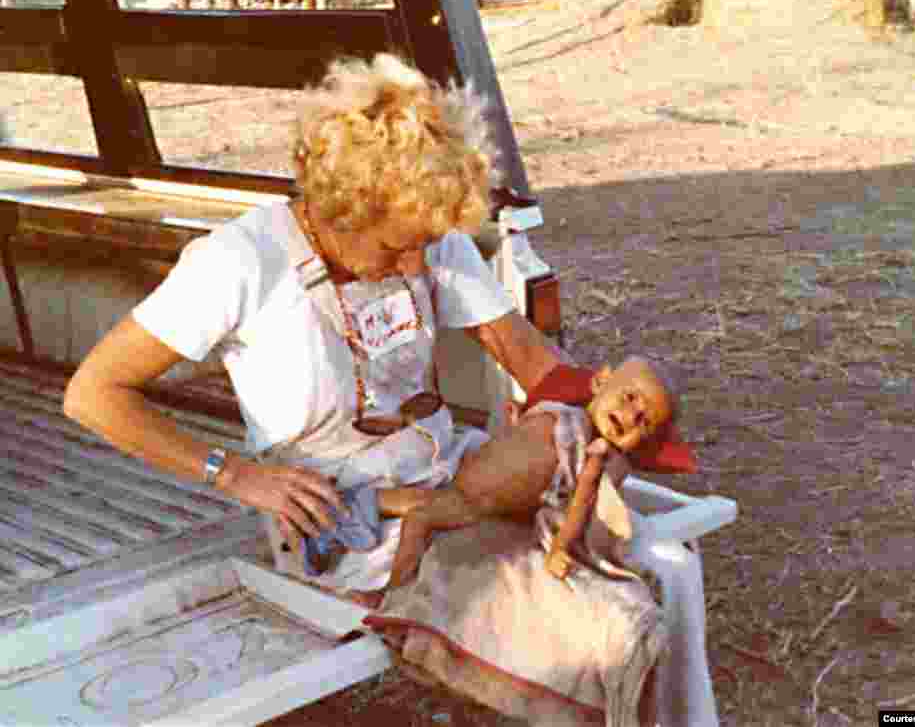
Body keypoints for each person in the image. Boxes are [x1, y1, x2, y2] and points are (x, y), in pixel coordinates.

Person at [62, 52, 565, 606]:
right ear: (343, 211)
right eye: (398, 248)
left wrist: (606, 400)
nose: (418, 268)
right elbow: (92, 394)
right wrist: (232, 474)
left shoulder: (424, 230)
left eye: (425, 246)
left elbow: (533, 362)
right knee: (537, 590)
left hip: (451, 474)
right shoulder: (241, 260)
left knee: (586, 520)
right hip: (343, 518)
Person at [303, 356, 697, 596]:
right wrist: (515, 420)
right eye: (629, 399)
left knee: (421, 512)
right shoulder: (563, 411)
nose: (630, 416)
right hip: (468, 474)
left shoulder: (598, 457)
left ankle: (381, 575)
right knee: (419, 506)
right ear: (599, 381)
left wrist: (561, 548)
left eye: (643, 422)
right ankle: (360, 540)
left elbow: (579, 508)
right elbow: (526, 425)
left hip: (480, 502)